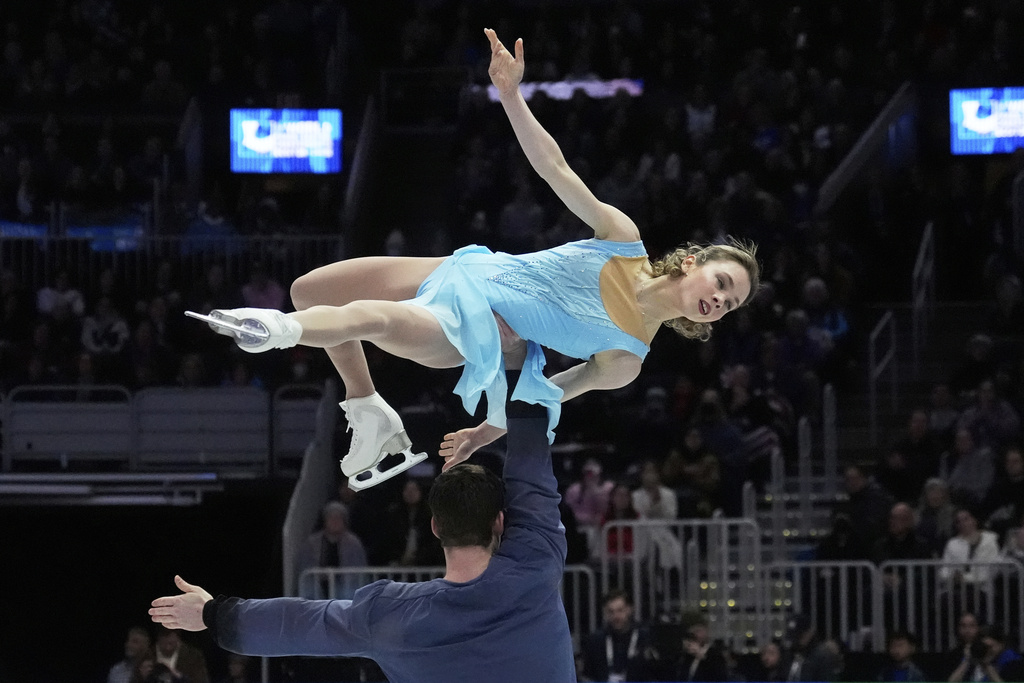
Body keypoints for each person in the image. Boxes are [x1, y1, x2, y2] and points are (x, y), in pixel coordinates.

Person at [192, 28, 759, 489]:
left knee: (372, 318)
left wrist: (483, 434)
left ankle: (275, 332)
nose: (720, 301)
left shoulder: (626, 360)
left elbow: (542, 395)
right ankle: (367, 409)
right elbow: (555, 169)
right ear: (693, 263)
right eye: (722, 282)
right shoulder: (622, 237)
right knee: (311, 290)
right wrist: (511, 96)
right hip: (466, 268)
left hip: (473, 328)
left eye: (730, 304)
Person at [149, 362, 577, 682]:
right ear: (500, 523)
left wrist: (213, 615)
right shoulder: (535, 563)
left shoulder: (390, 615)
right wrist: (518, 355)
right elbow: (531, 458)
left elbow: (298, 624)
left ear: (435, 528)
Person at [579, 590, 661, 682]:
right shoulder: (595, 641)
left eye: (620, 610)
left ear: (630, 609)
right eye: (611, 612)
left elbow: (657, 674)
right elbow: (586, 676)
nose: (616, 616)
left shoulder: (645, 638)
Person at [295, 500, 368, 600]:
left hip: (345, 585)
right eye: (331, 518)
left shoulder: (353, 543)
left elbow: (359, 570)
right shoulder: (312, 543)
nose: (334, 521)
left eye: (338, 518)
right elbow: (305, 568)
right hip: (318, 584)